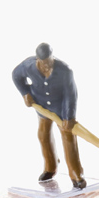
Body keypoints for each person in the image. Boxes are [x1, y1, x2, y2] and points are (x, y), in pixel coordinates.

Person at [12, 43, 86, 189]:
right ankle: (50, 167)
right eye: (44, 63)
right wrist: (25, 93)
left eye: (50, 62)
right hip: (42, 108)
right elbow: (15, 75)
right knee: (43, 135)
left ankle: (76, 174)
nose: (47, 66)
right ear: (38, 60)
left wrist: (68, 117)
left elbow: (71, 95)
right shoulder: (28, 66)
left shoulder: (65, 71)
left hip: (60, 110)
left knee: (68, 137)